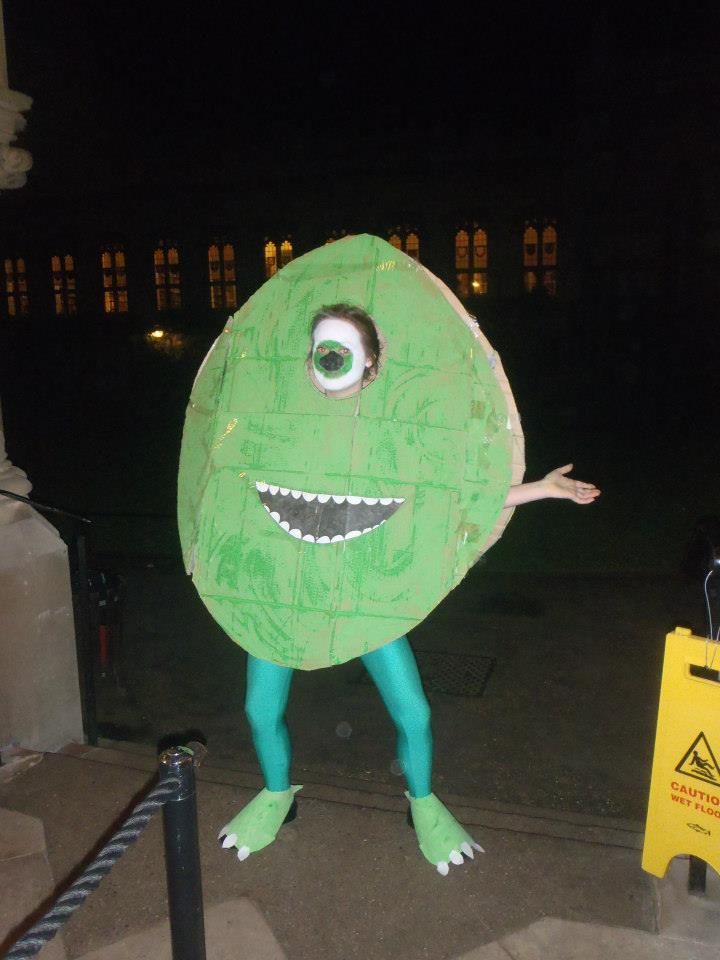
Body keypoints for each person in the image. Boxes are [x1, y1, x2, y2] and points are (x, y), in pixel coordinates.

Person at [218, 304, 600, 875]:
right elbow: (232, 483)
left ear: (371, 368)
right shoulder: (282, 426)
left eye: (342, 350)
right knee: (258, 708)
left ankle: (422, 802)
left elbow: (452, 497)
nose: (327, 359)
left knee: (415, 715)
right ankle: (277, 793)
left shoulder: (391, 436)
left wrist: (540, 490)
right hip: (285, 593)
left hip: (366, 598)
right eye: (319, 348)